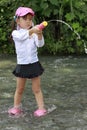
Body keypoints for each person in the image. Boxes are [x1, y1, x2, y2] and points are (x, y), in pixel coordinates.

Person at [8, 7, 47, 117]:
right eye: (25, 19)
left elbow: (40, 44)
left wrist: (39, 35)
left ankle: (41, 108)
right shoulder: (16, 33)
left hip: (34, 64)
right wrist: (32, 31)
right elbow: (21, 37)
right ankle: (16, 108)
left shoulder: (34, 32)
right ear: (18, 20)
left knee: (37, 89)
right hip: (22, 64)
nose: (28, 21)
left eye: (30, 19)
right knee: (19, 89)